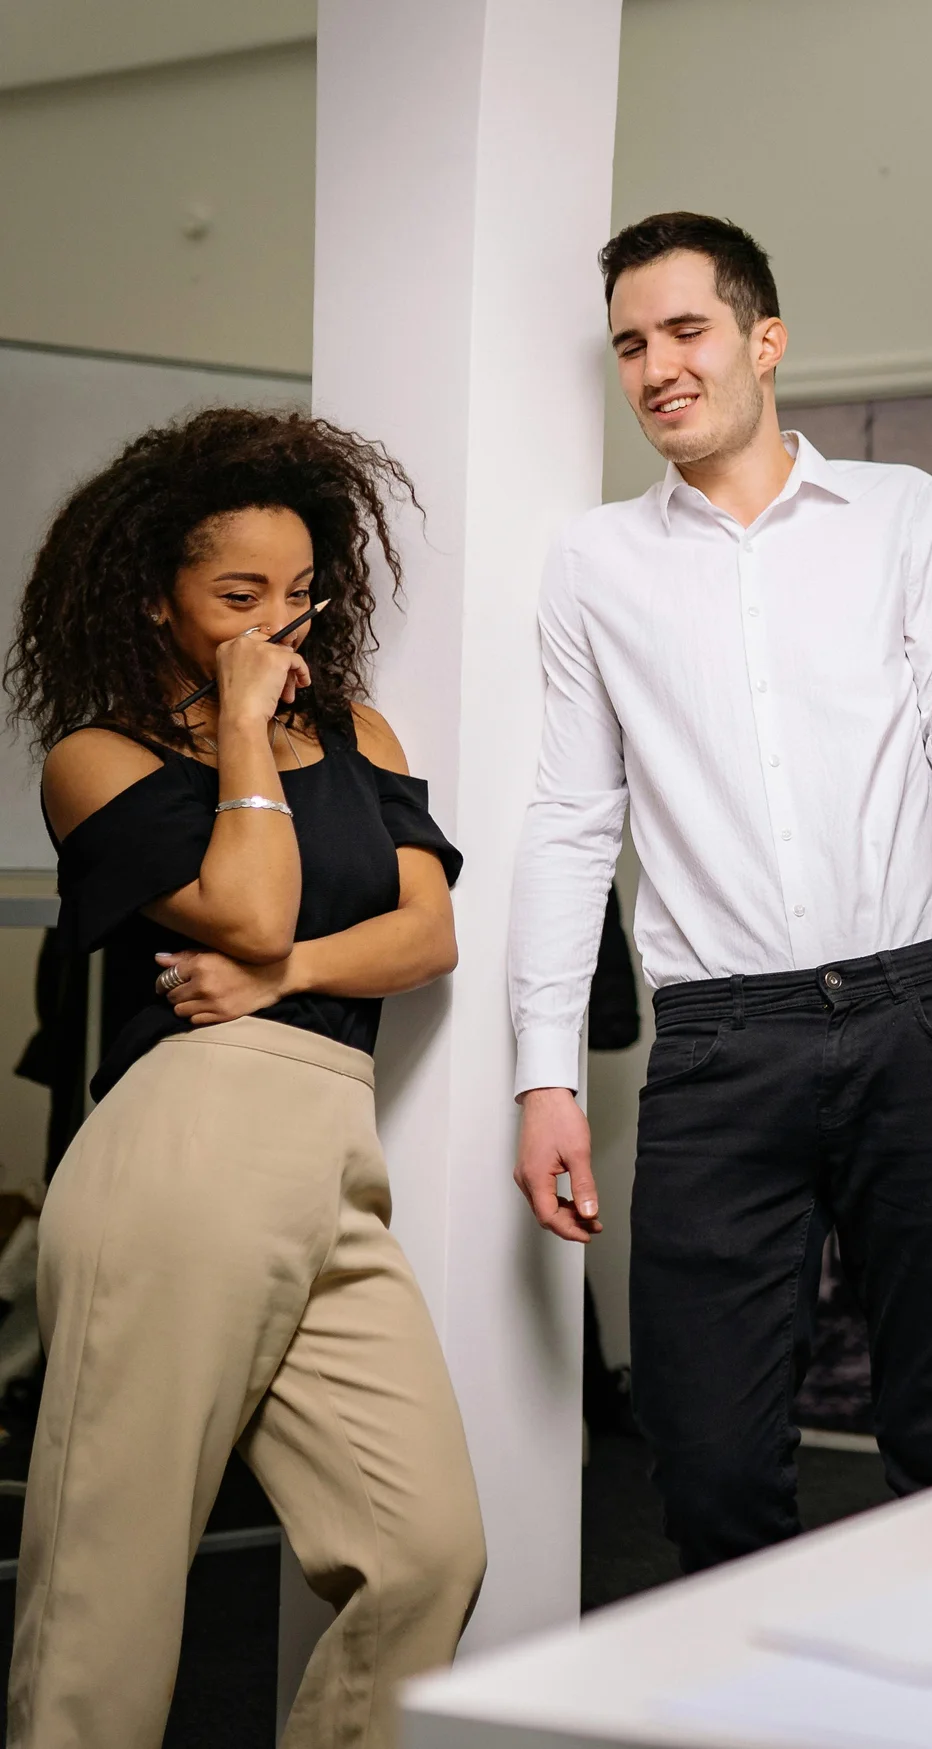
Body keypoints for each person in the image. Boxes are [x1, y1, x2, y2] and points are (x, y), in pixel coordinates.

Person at [507, 213, 932, 1570]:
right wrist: (545, 1075)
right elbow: (570, 823)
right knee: (707, 1469)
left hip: (926, 1022)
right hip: (722, 1043)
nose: (657, 367)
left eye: (687, 331)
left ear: (766, 342)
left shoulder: (901, 513)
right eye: (630, 345)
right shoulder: (595, 565)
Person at [5, 409, 483, 1746]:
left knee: (426, 1546)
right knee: (111, 1590)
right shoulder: (96, 758)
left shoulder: (364, 734)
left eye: (296, 592)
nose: (276, 621)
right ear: (156, 600)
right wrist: (245, 731)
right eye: (235, 596)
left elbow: (426, 932)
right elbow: (252, 901)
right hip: (180, 1146)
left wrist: (279, 975)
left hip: (332, 1150)